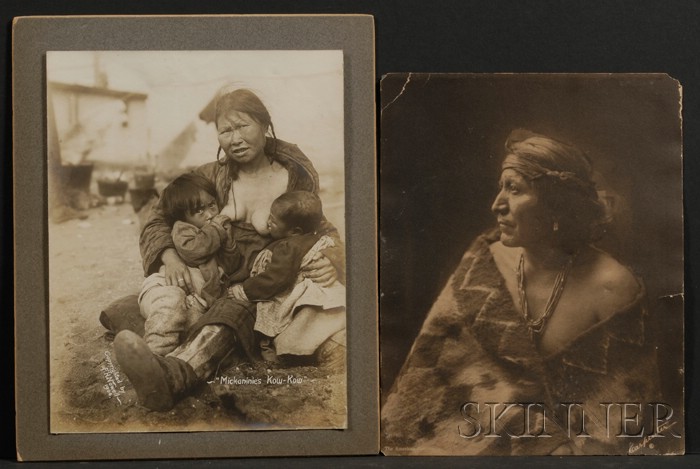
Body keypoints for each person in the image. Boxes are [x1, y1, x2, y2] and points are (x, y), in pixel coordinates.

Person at [381, 129, 662, 455]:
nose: (497, 205)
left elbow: (631, 422)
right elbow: (425, 389)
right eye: (501, 188)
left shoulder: (612, 287)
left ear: (557, 205)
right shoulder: (484, 265)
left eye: (514, 190)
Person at [113, 87, 346, 412]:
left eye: (242, 126)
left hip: (266, 286)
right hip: (215, 280)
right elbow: (158, 217)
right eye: (225, 130)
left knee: (237, 316)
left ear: (264, 125)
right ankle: (162, 365)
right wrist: (170, 256)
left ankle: (173, 375)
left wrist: (331, 261)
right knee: (171, 300)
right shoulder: (211, 176)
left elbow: (321, 228)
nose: (234, 138)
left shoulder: (295, 178)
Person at [228, 190, 345, 364]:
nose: (268, 223)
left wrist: (244, 289)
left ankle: (289, 353)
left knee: (288, 326)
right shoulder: (316, 235)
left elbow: (274, 279)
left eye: (273, 222)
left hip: (304, 292)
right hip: (326, 291)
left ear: (294, 231)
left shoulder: (288, 248)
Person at [138, 172, 241, 355]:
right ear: (183, 215)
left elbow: (231, 265)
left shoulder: (212, 232)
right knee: (172, 301)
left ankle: (171, 360)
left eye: (212, 205)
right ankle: (155, 352)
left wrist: (229, 241)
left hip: (194, 300)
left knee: (192, 321)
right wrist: (217, 229)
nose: (209, 214)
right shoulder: (183, 229)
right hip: (162, 287)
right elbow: (194, 252)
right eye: (199, 211)